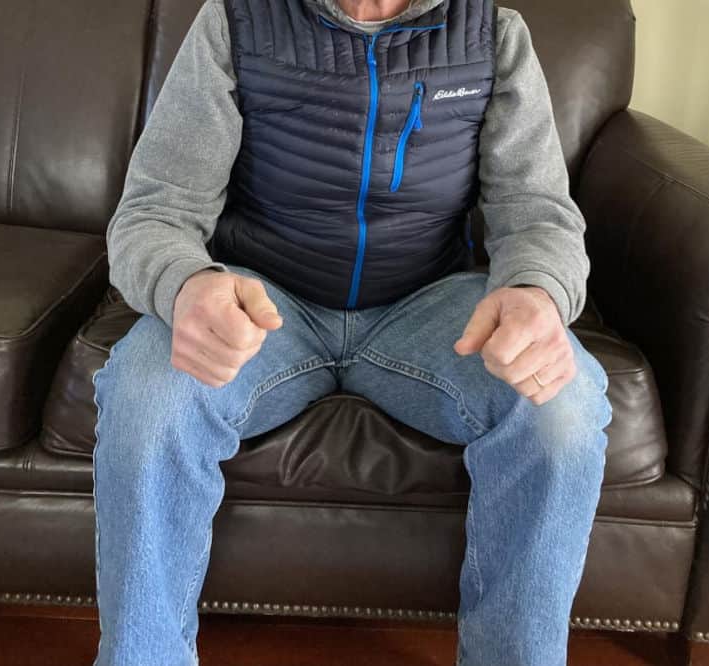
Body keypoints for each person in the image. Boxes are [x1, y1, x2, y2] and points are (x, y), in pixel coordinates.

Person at [91, 0, 613, 664]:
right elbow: (155, 208)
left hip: (428, 310)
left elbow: (537, 211)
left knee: (563, 408)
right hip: (267, 305)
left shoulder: (493, 34)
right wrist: (187, 283)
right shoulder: (235, 20)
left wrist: (539, 290)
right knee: (146, 389)